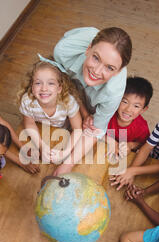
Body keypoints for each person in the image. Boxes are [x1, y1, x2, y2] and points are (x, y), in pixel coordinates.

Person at [50, 26, 132, 175]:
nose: (97, 71)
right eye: (96, 58)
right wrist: (82, 110)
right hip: (67, 84)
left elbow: (96, 131)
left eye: (109, 67)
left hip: (88, 98)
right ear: (88, 49)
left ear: (118, 72)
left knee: (90, 125)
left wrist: (68, 164)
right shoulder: (63, 52)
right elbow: (64, 83)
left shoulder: (113, 91)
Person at [18, 55, 82, 163]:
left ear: (59, 88)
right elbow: (29, 124)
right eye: (38, 83)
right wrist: (42, 146)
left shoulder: (68, 102)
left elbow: (77, 129)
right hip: (41, 131)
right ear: (32, 87)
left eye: (51, 83)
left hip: (64, 133)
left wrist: (65, 152)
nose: (44, 88)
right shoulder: (27, 101)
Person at [106, 76, 153, 160]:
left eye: (136, 106)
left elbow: (144, 145)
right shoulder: (107, 113)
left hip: (124, 158)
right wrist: (110, 140)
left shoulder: (141, 127)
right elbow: (93, 130)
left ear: (143, 109)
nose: (128, 109)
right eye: (125, 102)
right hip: (103, 151)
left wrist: (131, 145)